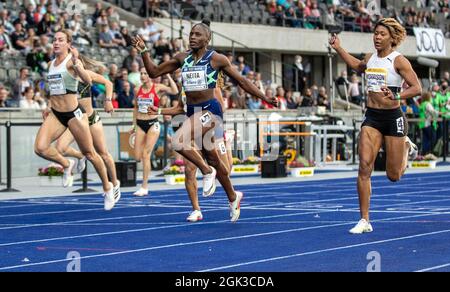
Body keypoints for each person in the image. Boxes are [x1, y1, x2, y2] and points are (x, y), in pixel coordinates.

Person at [133, 19, 277, 222]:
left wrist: (264, 98)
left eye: (197, 34)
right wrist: (143, 51)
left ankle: (206, 171)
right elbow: (154, 72)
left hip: (210, 111)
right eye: (191, 34)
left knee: (178, 142)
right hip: (192, 113)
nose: (192, 37)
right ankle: (233, 197)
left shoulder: (216, 59)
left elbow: (242, 81)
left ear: (207, 39)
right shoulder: (182, 58)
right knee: (217, 163)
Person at [330, 18, 421, 234]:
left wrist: (397, 93)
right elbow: (356, 66)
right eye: (375, 33)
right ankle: (364, 220)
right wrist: (339, 48)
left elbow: (417, 88)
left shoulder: (399, 61)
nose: (377, 37)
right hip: (372, 118)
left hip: (393, 118)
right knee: (364, 167)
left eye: (382, 34)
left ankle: (406, 147)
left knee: (393, 175)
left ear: (392, 38)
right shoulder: (370, 58)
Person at [34, 30, 116, 211]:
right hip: (56, 113)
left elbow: (88, 81)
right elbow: (53, 88)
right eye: (54, 40)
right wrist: (48, 105)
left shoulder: (72, 62)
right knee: (40, 148)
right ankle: (67, 164)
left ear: (68, 44)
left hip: (73, 114)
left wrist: (78, 66)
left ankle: (107, 187)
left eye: (60, 40)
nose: (56, 42)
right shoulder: (50, 64)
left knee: (90, 154)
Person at [54, 51, 121, 204]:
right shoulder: (63, 77)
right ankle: (80, 156)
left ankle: (115, 183)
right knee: (60, 148)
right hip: (75, 120)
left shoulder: (85, 73)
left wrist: (108, 100)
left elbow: (108, 83)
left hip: (90, 120)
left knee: (103, 153)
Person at [131, 68, 178, 197]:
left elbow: (175, 91)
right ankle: (147, 177)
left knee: (146, 155)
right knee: (137, 156)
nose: (142, 75)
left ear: (150, 76)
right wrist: (134, 126)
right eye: (140, 73)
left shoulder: (157, 87)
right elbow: (135, 108)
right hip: (140, 123)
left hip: (153, 124)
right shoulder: (137, 89)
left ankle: (144, 186)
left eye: (145, 73)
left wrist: (168, 75)